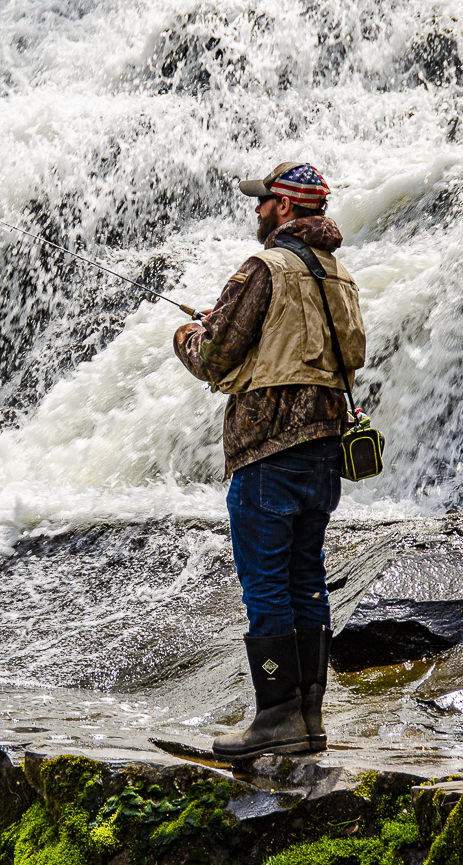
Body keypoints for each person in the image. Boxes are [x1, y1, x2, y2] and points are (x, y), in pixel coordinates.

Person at [172, 162, 365, 760]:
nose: (256, 211)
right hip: (324, 454)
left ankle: (275, 718)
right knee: (308, 580)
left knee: (266, 586)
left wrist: (186, 334)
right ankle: (308, 719)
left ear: (283, 207)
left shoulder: (264, 268)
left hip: (268, 451)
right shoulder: (339, 274)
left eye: (263, 203)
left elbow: (214, 355)